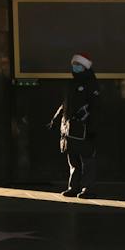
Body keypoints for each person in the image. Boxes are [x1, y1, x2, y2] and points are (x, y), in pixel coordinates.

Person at [50, 51, 100, 197]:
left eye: (78, 65)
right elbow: (64, 104)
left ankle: (88, 188)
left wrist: (93, 127)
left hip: (84, 128)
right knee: (73, 160)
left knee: (87, 160)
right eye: (74, 65)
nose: (75, 67)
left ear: (85, 67)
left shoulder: (91, 84)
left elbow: (96, 107)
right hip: (69, 130)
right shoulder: (71, 84)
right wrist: (56, 119)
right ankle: (74, 187)